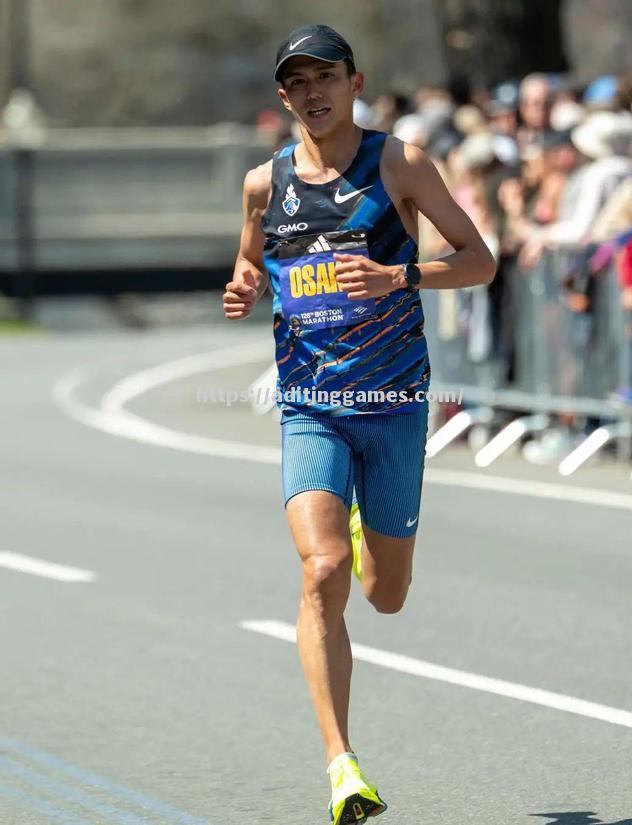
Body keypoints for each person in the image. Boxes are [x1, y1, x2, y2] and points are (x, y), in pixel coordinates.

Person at [222, 24, 495, 825]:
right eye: (297, 82)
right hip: (310, 405)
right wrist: (243, 288)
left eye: (326, 77)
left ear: (354, 80)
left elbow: (480, 259)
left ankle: (368, 533)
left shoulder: (399, 162)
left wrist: (397, 274)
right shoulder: (261, 185)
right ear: (283, 96)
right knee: (319, 572)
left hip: (395, 405)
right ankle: (342, 764)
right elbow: (251, 264)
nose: (313, 93)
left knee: (387, 594)